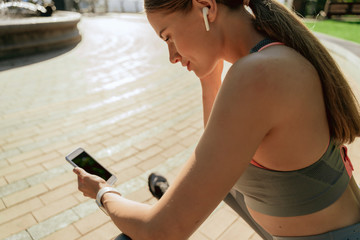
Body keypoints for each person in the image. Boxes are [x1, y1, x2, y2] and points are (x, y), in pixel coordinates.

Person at [73, 0, 360, 239]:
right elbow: (219, 153)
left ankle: (166, 195)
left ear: (207, 7)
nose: (172, 56)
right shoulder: (272, 52)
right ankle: (168, 192)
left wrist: (103, 192)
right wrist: (209, 79)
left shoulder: (258, 75)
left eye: (168, 36)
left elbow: (160, 231)